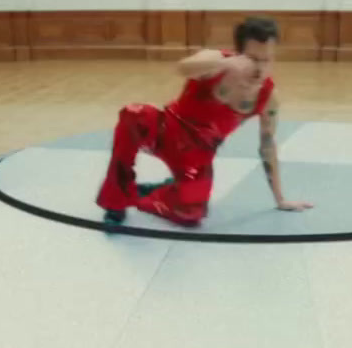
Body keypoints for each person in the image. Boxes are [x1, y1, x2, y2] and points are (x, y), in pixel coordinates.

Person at [96, 15, 313, 228]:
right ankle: (116, 201)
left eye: (267, 60)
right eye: (253, 59)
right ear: (239, 54)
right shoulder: (215, 61)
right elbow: (182, 67)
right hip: (165, 130)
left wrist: (280, 200)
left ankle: (155, 192)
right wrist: (226, 63)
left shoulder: (268, 97)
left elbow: (267, 145)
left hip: (197, 155)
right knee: (134, 115)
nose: (260, 68)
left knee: (191, 215)